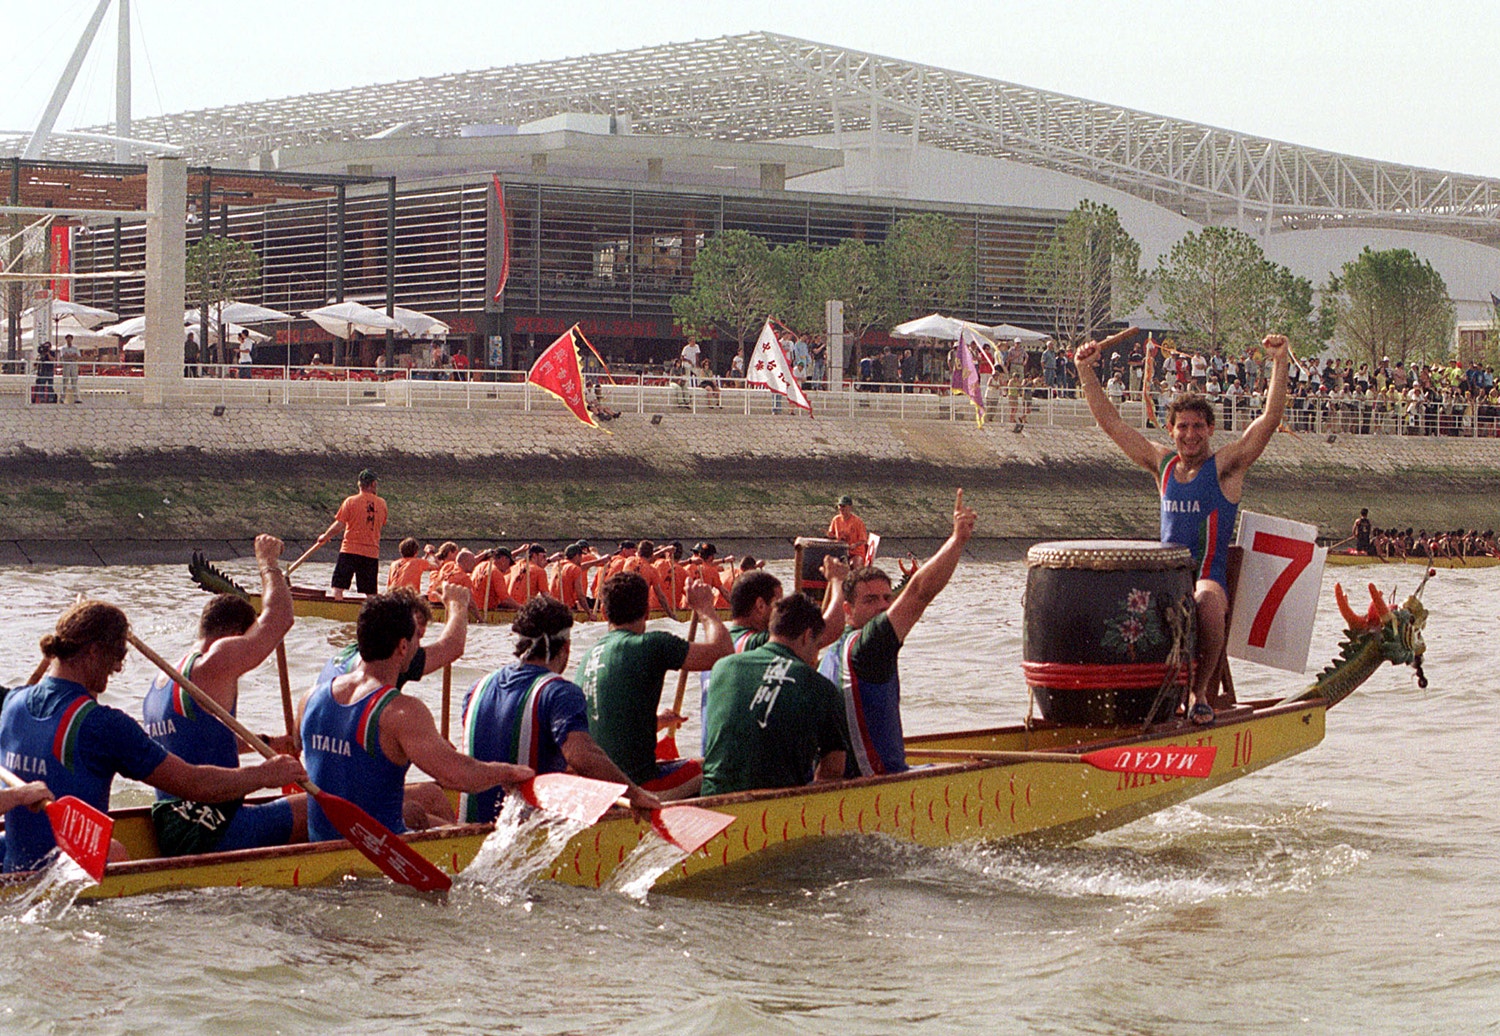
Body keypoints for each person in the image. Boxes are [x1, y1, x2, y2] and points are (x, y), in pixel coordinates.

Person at [1075, 332, 1294, 724]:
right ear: (1171, 431)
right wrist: (1085, 371)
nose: (1190, 435)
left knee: (1206, 603)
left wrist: (1279, 361)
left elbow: (1269, 420)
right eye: (1182, 428)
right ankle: (1122, 697)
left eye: (1197, 427)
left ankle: (1199, 694)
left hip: (1208, 577)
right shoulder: (1161, 464)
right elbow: (1110, 424)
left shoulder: (1227, 467)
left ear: (1210, 429)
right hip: (1166, 579)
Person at [1, 601, 305, 872]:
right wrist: (264, 774)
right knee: (116, 853)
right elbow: (194, 784)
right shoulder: (104, 725)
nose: (117, 668)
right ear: (93, 651)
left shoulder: (13, 704)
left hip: (16, 863)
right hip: (70, 881)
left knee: (116, 849)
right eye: (115, 657)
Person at [298, 594, 532, 842]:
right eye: (416, 639)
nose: (418, 646)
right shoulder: (401, 712)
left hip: (323, 837)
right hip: (380, 849)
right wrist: (511, 773)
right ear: (402, 646)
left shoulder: (310, 697)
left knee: (430, 797)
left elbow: (313, 754)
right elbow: (456, 775)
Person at [141, 534, 308, 855]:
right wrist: (268, 564)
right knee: (331, 806)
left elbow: (195, 745)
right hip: (215, 828)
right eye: (247, 643)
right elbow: (280, 619)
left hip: (173, 824)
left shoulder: (166, 677)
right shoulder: (215, 660)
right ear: (233, 636)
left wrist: (268, 744)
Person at [457, 595, 660, 823]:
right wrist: (634, 794)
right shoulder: (559, 691)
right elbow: (582, 755)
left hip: (470, 822)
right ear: (566, 647)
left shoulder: (476, 688)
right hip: (521, 830)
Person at [819, 490, 976, 777]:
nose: (883, 608)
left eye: (887, 599)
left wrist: (836, 581)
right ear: (848, 610)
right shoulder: (869, 647)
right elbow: (918, 592)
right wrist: (957, 540)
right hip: (880, 782)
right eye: (871, 600)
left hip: (840, 779)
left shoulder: (827, 653)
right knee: (973, 768)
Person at [573, 573, 732, 800]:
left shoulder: (589, 655)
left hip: (598, 786)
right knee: (721, 764)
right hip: (638, 787)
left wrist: (655, 722)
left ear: (605, 613)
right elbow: (722, 653)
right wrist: (705, 609)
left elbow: (607, 724)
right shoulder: (652, 644)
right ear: (647, 612)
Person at [700, 594, 851, 797]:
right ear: (807, 636)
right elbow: (833, 770)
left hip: (713, 798)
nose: (816, 657)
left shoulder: (723, 666)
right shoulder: (820, 686)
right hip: (774, 805)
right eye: (817, 646)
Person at [316, 469, 387, 601]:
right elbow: (381, 523)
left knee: (338, 587)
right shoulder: (382, 503)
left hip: (350, 550)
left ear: (359, 484)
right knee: (370, 591)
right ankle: (375, 614)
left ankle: (337, 611)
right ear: (373, 484)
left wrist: (325, 536)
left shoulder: (350, 501)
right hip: (371, 552)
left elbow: (339, 524)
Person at [471, 547, 517, 612]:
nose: (508, 567)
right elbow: (505, 600)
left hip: (472, 610)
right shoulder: (495, 572)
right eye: (509, 563)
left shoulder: (479, 566)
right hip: (485, 612)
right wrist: (522, 608)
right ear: (504, 559)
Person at [828, 495, 870, 565]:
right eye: (840, 506)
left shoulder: (858, 522)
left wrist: (855, 545)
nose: (841, 508)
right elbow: (831, 534)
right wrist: (831, 536)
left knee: (854, 563)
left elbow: (863, 540)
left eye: (843, 506)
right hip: (840, 552)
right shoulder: (836, 520)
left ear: (850, 507)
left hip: (856, 553)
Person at [58, 334, 81, 404]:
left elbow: (78, 356)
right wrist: (71, 356)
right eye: (68, 339)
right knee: (65, 381)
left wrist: (70, 356)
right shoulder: (63, 348)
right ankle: (62, 398)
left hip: (74, 365)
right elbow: (63, 356)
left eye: (70, 339)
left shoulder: (75, 348)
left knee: (74, 381)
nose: (69, 340)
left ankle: (76, 398)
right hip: (66, 365)